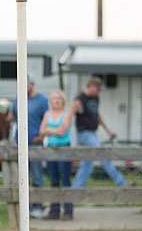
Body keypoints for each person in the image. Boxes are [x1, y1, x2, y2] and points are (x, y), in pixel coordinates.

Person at [70, 76, 128, 189]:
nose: (99, 92)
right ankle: (121, 182)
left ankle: (76, 188)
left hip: (92, 133)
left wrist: (107, 130)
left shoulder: (96, 98)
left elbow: (97, 115)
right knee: (102, 155)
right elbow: (70, 114)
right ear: (91, 87)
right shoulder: (79, 99)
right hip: (84, 134)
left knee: (87, 163)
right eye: (98, 89)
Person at [12, 77, 49, 218]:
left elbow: (47, 119)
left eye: (26, 83)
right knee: (22, 177)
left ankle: (38, 206)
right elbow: (13, 115)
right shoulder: (18, 98)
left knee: (37, 176)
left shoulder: (42, 101)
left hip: (35, 142)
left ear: (32, 84)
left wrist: (40, 136)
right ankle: (25, 208)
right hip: (19, 143)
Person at [39, 90, 74, 220]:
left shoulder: (67, 113)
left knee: (65, 180)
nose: (57, 101)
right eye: (54, 99)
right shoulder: (47, 114)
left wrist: (49, 130)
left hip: (63, 149)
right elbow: (41, 130)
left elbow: (63, 131)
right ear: (51, 101)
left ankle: (68, 210)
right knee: (53, 181)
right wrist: (53, 131)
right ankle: (54, 210)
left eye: (59, 99)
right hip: (50, 150)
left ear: (63, 101)